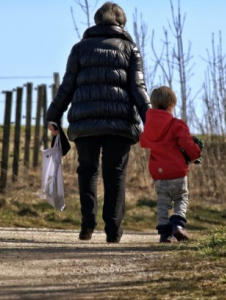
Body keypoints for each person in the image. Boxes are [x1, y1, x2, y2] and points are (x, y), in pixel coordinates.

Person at [45, 2, 151, 243]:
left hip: (86, 123)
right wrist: (151, 118)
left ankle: (87, 226)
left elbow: (67, 87)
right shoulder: (130, 49)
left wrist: (53, 116)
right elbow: (138, 88)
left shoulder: (79, 49)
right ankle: (113, 231)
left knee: (87, 171)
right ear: (121, 23)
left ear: (97, 21)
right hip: (120, 124)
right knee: (115, 174)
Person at [140, 86, 202, 243]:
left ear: (153, 105)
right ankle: (178, 225)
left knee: (162, 201)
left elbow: (143, 142)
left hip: (158, 173)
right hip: (177, 171)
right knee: (181, 197)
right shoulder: (176, 124)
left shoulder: (148, 126)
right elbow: (187, 144)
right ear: (171, 106)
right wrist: (196, 152)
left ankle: (164, 234)